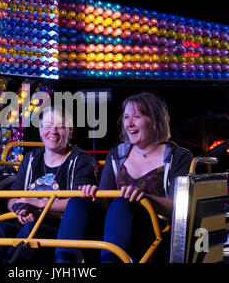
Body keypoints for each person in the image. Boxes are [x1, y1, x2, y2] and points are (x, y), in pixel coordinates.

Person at [55, 92, 193, 263]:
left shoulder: (178, 156)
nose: (129, 123)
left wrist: (144, 198)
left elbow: (178, 207)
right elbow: (104, 199)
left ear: (155, 121)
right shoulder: (117, 154)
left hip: (154, 233)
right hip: (114, 230)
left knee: (122, 203)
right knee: (78, 202)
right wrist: (92, 193)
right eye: (126, 117)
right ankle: (63, 265)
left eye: (137, 116)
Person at [0, 106, 98, 263]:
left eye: (60, 126)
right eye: (48, 125)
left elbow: (79, 202)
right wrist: (21, 210)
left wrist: (36, 204)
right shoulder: (30, 159)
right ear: (40, 130)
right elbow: (12, 198)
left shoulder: (80, 159)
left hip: (61, 232)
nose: (53, 131)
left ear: (70, 132)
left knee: (31, 231)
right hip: (28, 225)